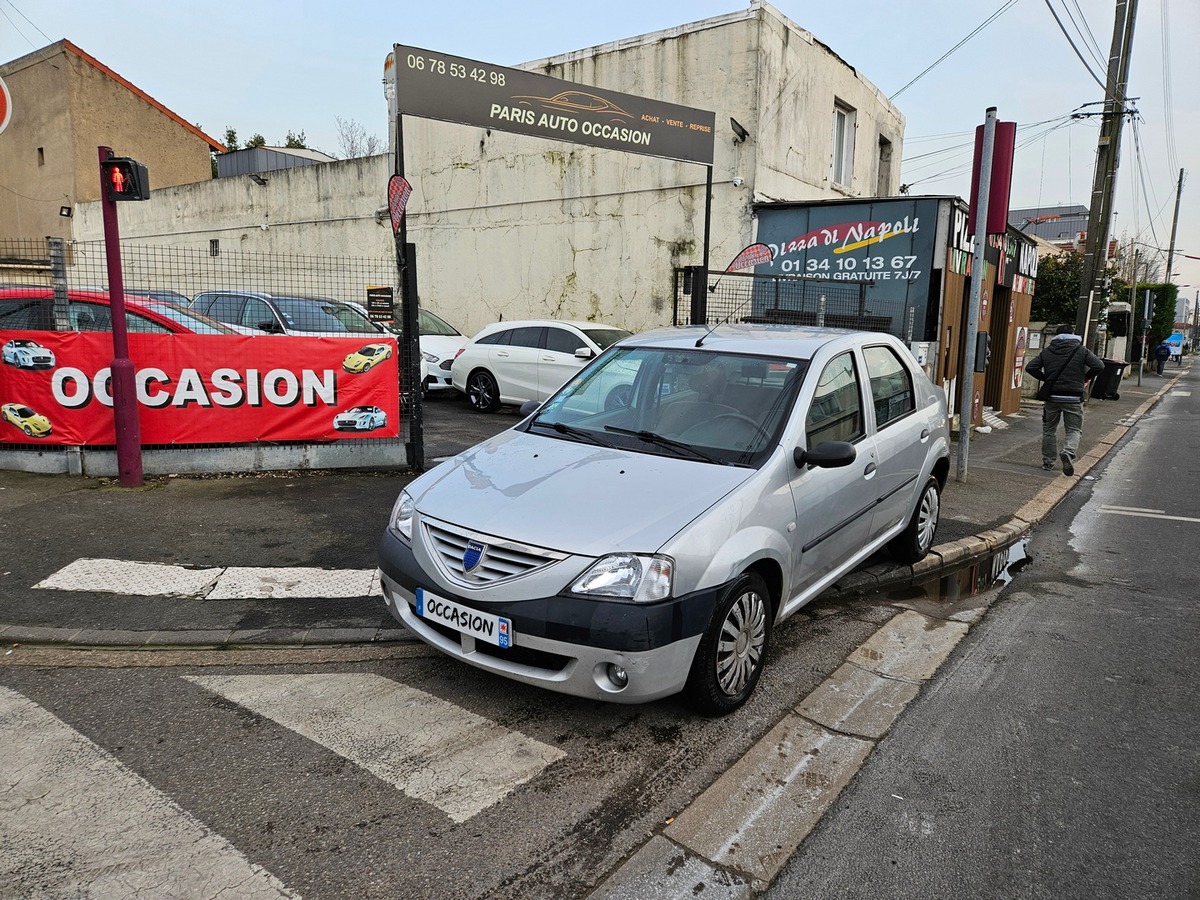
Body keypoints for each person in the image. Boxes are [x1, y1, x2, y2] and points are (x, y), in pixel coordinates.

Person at [1026, 325, 1104, 475]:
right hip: (1073, 397)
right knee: (1073, 429)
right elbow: (1099, 365)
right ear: (1073, 334)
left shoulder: (1048, 351)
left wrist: (1047, 379)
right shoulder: (1081, 350)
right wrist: (1085, 377)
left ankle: (1048, 462)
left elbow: (1031, 367)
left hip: (1052, 396)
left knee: (1049, 430)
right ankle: (1068, 452)